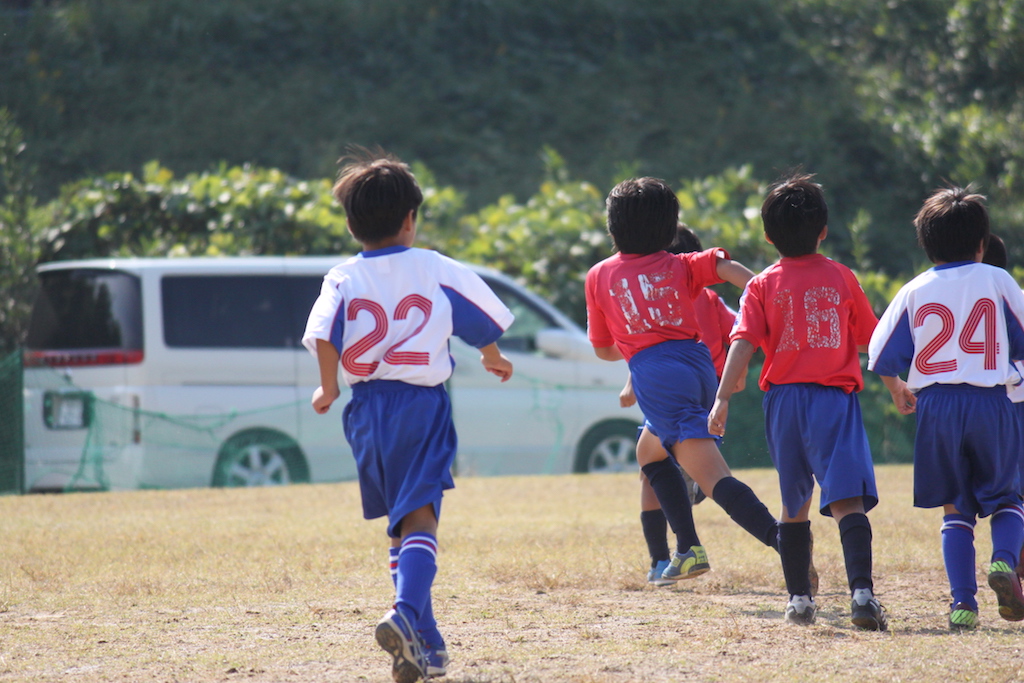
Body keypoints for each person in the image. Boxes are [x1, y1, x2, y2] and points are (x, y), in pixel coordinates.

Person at [303, 151, 515, 682]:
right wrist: (492, 356)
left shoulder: (341, 277)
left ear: (351, 224)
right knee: (422, 519)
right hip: (420, 406)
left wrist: (328, 387)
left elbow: (323, 334)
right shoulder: (433, 266)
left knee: (401, 526)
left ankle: (427, 645)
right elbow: (480, 318)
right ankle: (402, 615)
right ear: (409, 220)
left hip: (365, 413)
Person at [708, 173, 886, 629]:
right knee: (847, 499)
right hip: (832, 400)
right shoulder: (841, 277)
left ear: (768, 237)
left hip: (783, 404)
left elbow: (742, 344)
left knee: (794, 504)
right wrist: (896, 383)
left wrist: (722, 398)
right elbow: (873, 340)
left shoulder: (761, 285)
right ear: (823, 230)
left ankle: (799, 601)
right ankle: (862, 596)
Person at [586, 176, 782, 585]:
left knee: (714, 479)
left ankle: (784, 541)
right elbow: (725, 267)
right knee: (649, 453)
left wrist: (633, 341)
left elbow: (603, 349)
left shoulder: (599, 275)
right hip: (698, 366)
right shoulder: (679, 264)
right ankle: (687, 548)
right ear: (668, 229)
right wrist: (767, 295)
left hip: (658, 377)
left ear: (612, 227)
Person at [868, 186, 1024, 631]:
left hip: (936, 405)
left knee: (955, 510)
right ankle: (1003, 560)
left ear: (926, 243)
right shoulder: (997, 280)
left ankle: (962, 605)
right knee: (1007, 497)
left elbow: (879, 353)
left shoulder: (915, 289)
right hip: (990, 401)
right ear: (982, 244)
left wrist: (897, 388)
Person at [620, 225, 735, 585]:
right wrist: (735, 378)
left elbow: (644, 346)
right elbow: (740, 332)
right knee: (661, 465)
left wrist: (631, 384)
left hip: (667, 394)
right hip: (706, 394)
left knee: (651, 472)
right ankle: (688, 496)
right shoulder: (711, 299)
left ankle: (661, 558)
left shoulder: (654, 299)